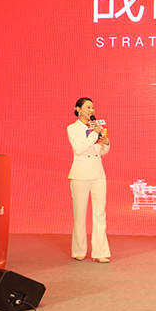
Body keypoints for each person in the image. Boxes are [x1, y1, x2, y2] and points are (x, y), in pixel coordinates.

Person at [67, 97, 111, 263]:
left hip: (98, 174)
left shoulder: (96, 128)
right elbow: (79, 149)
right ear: (78, 109)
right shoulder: (72, 128)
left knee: (100, 213)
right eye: (88, 107)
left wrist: (105, 143)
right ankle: (79, 250)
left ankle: (100, 252)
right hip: (80, 174)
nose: (91, 111)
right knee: (80, 214)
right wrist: (94, 134)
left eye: (92, 108)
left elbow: (100, 151)